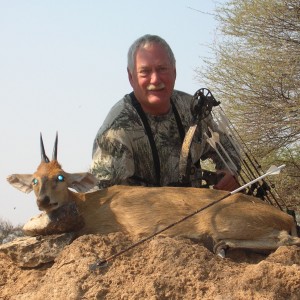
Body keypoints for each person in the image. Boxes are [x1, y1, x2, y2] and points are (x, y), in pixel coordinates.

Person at [90, 34, 240, 191]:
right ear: (131, 77)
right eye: (145, 72)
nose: (155, 79)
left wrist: (230, 171)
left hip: (199, 210)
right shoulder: (116, 130)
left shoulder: (193, 109)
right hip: (143, 214)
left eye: (162, 69)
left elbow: (228, 146)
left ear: (174, 72)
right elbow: (103, 195)